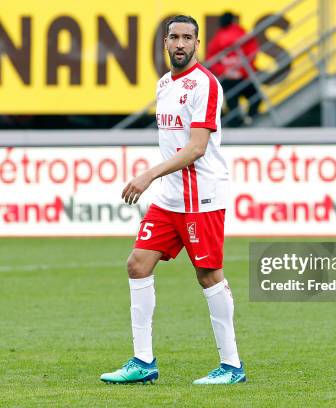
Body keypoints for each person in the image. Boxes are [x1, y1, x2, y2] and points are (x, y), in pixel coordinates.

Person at [99, 15, 245, 385]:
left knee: (208, 275)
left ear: (198, 44)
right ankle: (143, 362)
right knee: (137, 264)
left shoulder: (206, 85)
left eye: (187, 38)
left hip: (202, 197)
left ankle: (231, 367)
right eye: (174, 37)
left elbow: (196, 148)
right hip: (170, 198)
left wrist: (148, 175)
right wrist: (158, 184)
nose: (180, 44)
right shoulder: (164, 84)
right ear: (164, 42)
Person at [207, 12, 261, 127]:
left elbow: (211, 59)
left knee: (232, 106)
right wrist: (243, 70)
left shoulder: (217, 38)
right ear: (233, 21)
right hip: (242, 76)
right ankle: (252, 118)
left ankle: (236, 127)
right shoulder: (240, 33)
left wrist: (224, 71)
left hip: (227, 78)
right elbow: (252, 51)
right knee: (256, 97)